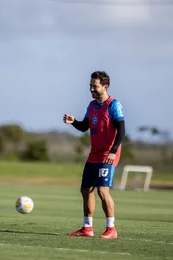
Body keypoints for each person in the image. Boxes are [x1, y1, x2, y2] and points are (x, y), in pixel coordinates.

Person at [63, 71, 125, 239]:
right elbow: (85, 126)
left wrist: (113, 151)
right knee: (86, 189)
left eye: (95, 86)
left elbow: (121, 130)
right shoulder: (92, 106)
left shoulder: (114, 105)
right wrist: (73, 121)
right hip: (94, 154)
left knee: (102, 191)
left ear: (105, 86)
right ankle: (87, 227)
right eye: (90, 85)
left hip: (108, 154)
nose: (91, 89)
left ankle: (111, 229)